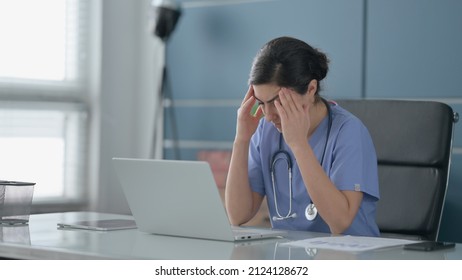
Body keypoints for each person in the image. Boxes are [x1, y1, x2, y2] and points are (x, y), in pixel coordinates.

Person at [225, 36, 380, 237]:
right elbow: (237, 215)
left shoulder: (349, 132)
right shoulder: (265, 130)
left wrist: (298, 144)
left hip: (350, 259)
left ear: (311, 89)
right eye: (261, 103)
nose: (269, 115)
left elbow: (340, 223)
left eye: (277, 102)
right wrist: (241, 139)